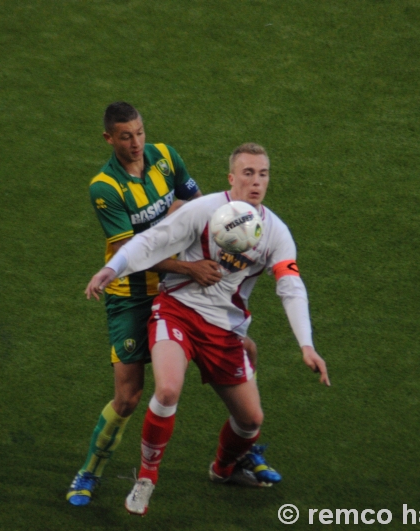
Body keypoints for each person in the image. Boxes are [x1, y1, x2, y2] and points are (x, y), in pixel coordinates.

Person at [84, 142, 330, 516]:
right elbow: (151, 241)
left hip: (225, 331)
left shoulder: (276, 233)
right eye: (247, 173)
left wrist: (306, 345)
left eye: (262, 174)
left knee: (251, 421)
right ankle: (147, 478)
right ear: (231, 178)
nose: (256, 182)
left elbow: (290, 284)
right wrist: (110, 269)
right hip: (177, 312)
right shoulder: (203, 210)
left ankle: (224, 469)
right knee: (166, 390)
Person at [67, 103, 273, 507]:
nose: (137, 143)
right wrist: (186, 261)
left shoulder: (166, 156)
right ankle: (89, 472)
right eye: (126, 137)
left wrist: (195, 252)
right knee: (128, 396)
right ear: (109, 139)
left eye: (140, 132)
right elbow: (133, 250)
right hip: (133, 296)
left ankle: (244, 447)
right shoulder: (105, 188)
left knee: (244, 351)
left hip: (179, 289)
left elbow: (203, 211)